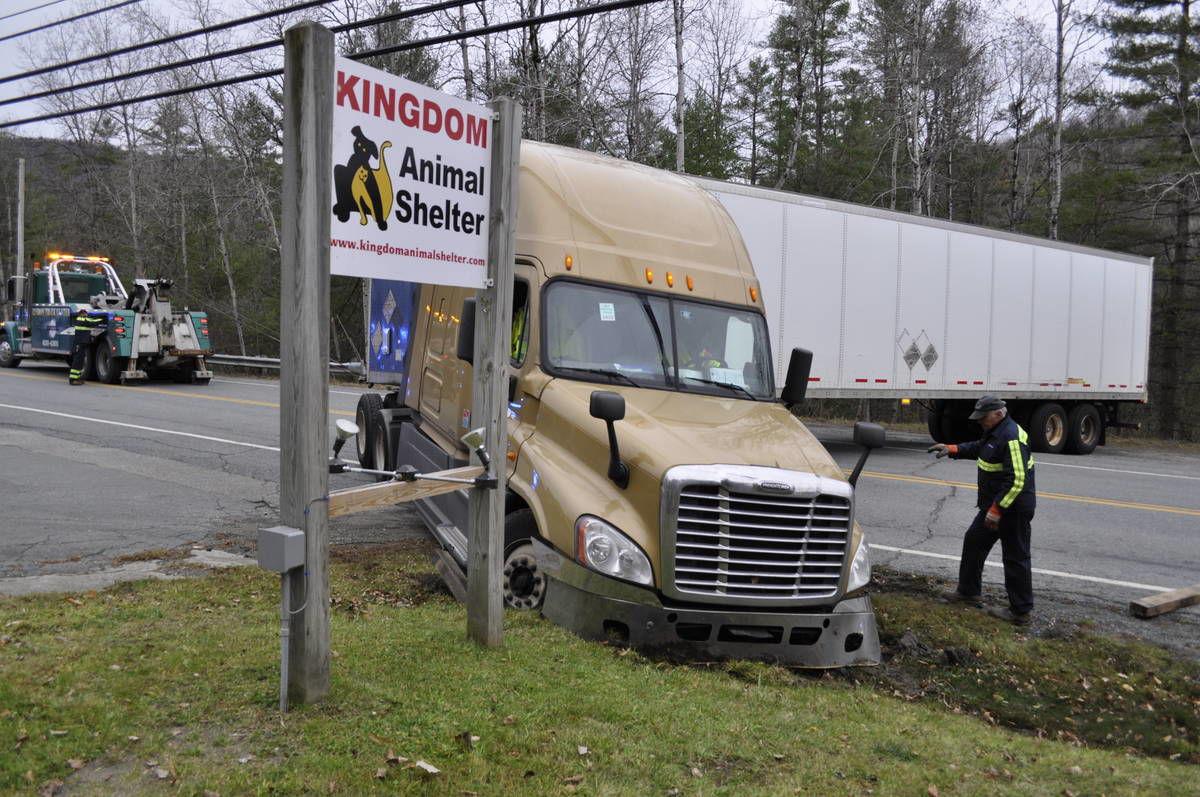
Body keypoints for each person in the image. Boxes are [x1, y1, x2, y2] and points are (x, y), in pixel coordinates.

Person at [927, 395, 1036, 625]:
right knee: (974, 541)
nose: (980, 422)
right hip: (994, 505)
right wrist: (952, 448)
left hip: (1012, 508)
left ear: (998, 413)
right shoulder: (995, 431)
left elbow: (1017, 480)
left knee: (1015, 557)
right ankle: (967, 592)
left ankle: (1021, 611)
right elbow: (981, 448)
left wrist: (997, 510)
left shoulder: (1012, 437)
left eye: (983, 417)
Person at [68, 296, 109, 385]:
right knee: (78, 362)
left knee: (80, 361)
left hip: (81, 343)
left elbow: (90, 321)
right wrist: (103, 319)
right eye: (85, 312)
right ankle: (73, 379)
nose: (86, 314)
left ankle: (77, 378)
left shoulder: (81, 319)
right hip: (80, 343)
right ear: (82, 313)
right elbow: (93, 322)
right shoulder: (82, 319)